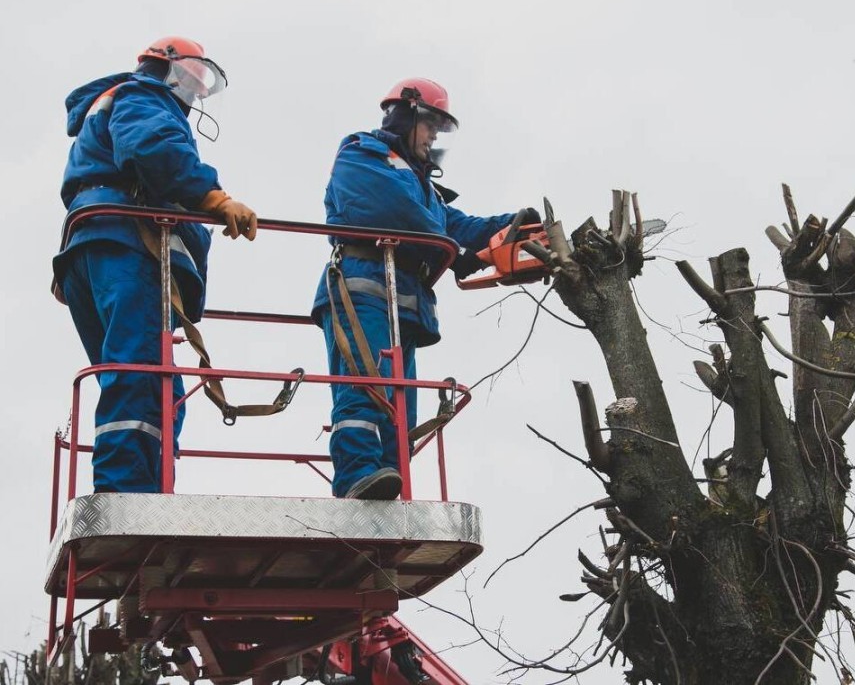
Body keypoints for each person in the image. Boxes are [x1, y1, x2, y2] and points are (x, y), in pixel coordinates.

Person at [312, 78, 538, 500]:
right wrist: (455, 252)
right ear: (405, 114)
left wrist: (512, 226)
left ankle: (388, 482)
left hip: (403, 303)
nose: (434, 137)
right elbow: (395, 212)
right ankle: (356, 476)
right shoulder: (363, 155)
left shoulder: (423, 188)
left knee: (401, 406)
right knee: (365, 387)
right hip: (360, 288)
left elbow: (457, 225)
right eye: (430, 125)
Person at [54, 36, 258, 493]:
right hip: (129, 243)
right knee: (142, 373)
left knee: (152, 380)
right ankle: (127, 490)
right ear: (166, 68)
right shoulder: (143, 95)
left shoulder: (110, 104)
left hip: (95, 245)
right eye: (190, 79)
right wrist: (214, 198)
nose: (193, 92)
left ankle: (144, 484)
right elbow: (154, 151)